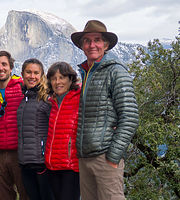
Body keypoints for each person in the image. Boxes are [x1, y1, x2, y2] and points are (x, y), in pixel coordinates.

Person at [71, 20, 139, 200]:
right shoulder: (86, 73)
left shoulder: (116, 71)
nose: (92, 45)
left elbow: (130, 117)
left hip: (105, 158)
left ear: (106, 44)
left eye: (97, 40)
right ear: (82, 46)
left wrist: (113, 156)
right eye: (87, 40)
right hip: (85, 158)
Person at [0, 50, 28, 200]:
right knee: (5, 195)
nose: (1, 68)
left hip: (19, 151)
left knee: (25, 192)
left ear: (11, 67)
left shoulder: (22, 87)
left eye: (4, 64)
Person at [17, 58, 54, 200]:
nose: (32, 76)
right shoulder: (24, 99)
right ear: (22, 74)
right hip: (25, 162)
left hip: (41, 162)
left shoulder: (47, 99)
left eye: (36, 73)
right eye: (28, 72)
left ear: (42, 75)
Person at [44, 62, 81, 200]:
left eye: (62, 77)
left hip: (70, 166)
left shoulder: (79, 98)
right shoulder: (52, 102)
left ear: (70, 79)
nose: (57, 82)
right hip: (52, 164)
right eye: (54, 78)